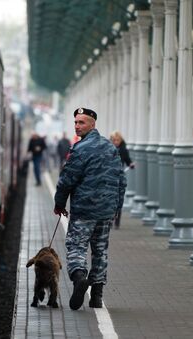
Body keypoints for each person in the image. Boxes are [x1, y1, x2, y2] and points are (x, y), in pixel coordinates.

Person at [54, 107, 126, 310]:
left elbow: (67, 180)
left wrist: (59, 203)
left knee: (76, 246)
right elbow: (121, 180)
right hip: (106, 212)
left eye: (81, 122)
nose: (77, 126)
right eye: (76, 122)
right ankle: (96, 296)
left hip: (84, 211)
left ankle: (79, 280)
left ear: (93, 124)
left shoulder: (80, 149)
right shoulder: (111, 148)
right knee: (100, 251)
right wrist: (116, 208)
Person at [109, 131, 133, 229]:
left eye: (118, 140)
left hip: (119, 177)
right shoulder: (108, 149)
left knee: (118, 199)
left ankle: (117, 221)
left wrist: (130, 164)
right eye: (114, 140)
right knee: (109, 199)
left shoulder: (123, 149)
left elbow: (127, 159)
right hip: (109, 177)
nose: (116, 142)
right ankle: (109, 220)